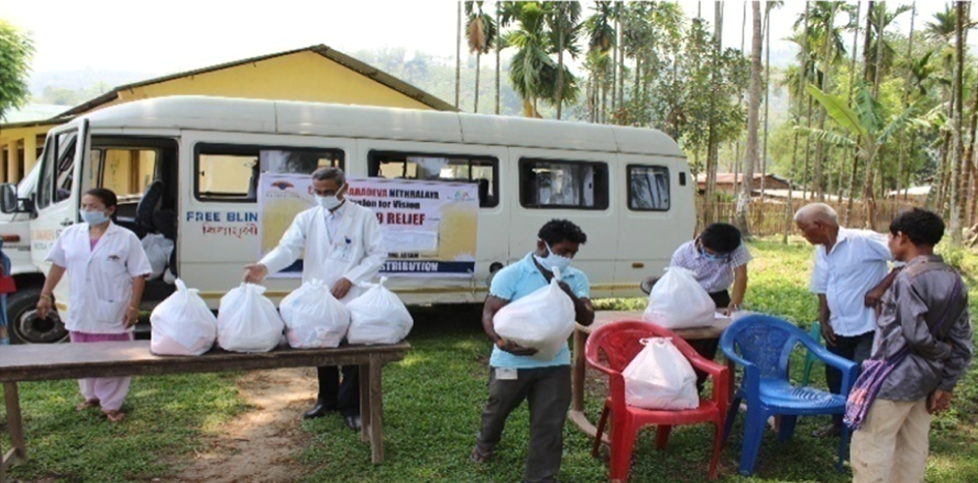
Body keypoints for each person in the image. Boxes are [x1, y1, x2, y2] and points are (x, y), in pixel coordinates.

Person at [243, 167, 385, 431]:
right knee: (321, 343)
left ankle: (351, 405)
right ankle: (327, 399)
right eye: (318, 192)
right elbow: (288, 248)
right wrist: (264, 267)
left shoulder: (364, 217)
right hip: (318, 294)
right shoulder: (307, 218)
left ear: (345, 189)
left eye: (329, 192)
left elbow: (378, 254)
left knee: (354, 348)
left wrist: (350, 278)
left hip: (352, 293)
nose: (323, 197)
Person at [850, 208, 973, 483]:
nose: (889, 243)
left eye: (890, 237)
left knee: (871, 450)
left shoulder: (908, 278)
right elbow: (963, 340)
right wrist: (946, 382)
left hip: (893, 380)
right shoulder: (955, 280)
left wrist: (941, 352)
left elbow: (914, 334)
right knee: (912, 454)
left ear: (902, 237)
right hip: (927, 382)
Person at [471, 219, 595, 483]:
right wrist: (502, 343)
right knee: (498, 408)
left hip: (555, 363)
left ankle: (540, 477)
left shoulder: (576, 278)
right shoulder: (512, 275)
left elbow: (586, 318)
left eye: (572, 253)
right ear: (542, 245)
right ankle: (485, 442)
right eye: (562, 251)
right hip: (510, 361)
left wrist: (569, 294)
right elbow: (489, 314)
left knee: (549, 423)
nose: (567, 258)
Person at [36, 188, 152, 422]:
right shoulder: (70, 234)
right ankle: (91, 396)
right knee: (82, 354)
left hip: (112, 308)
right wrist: (45, 295)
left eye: (93, 207)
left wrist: (133, 307)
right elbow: (58, 266)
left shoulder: (125, 238)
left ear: (110, 210)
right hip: (81, 307)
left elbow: (139, 274)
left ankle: (111, 404)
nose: (87, 211)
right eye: (84, 206)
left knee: (113, 357)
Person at [794, 203, 898, 437]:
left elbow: (903, 258)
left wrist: (881, 288)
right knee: (835, 374)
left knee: (863, 376)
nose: (802, 234)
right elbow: (822, 286)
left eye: (803, 229)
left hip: (868, 324)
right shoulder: (821, 250)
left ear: (819, 225)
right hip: (838, 326)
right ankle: (839, 423)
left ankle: (861, 427)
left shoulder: (862, 241)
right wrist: (823, 318)